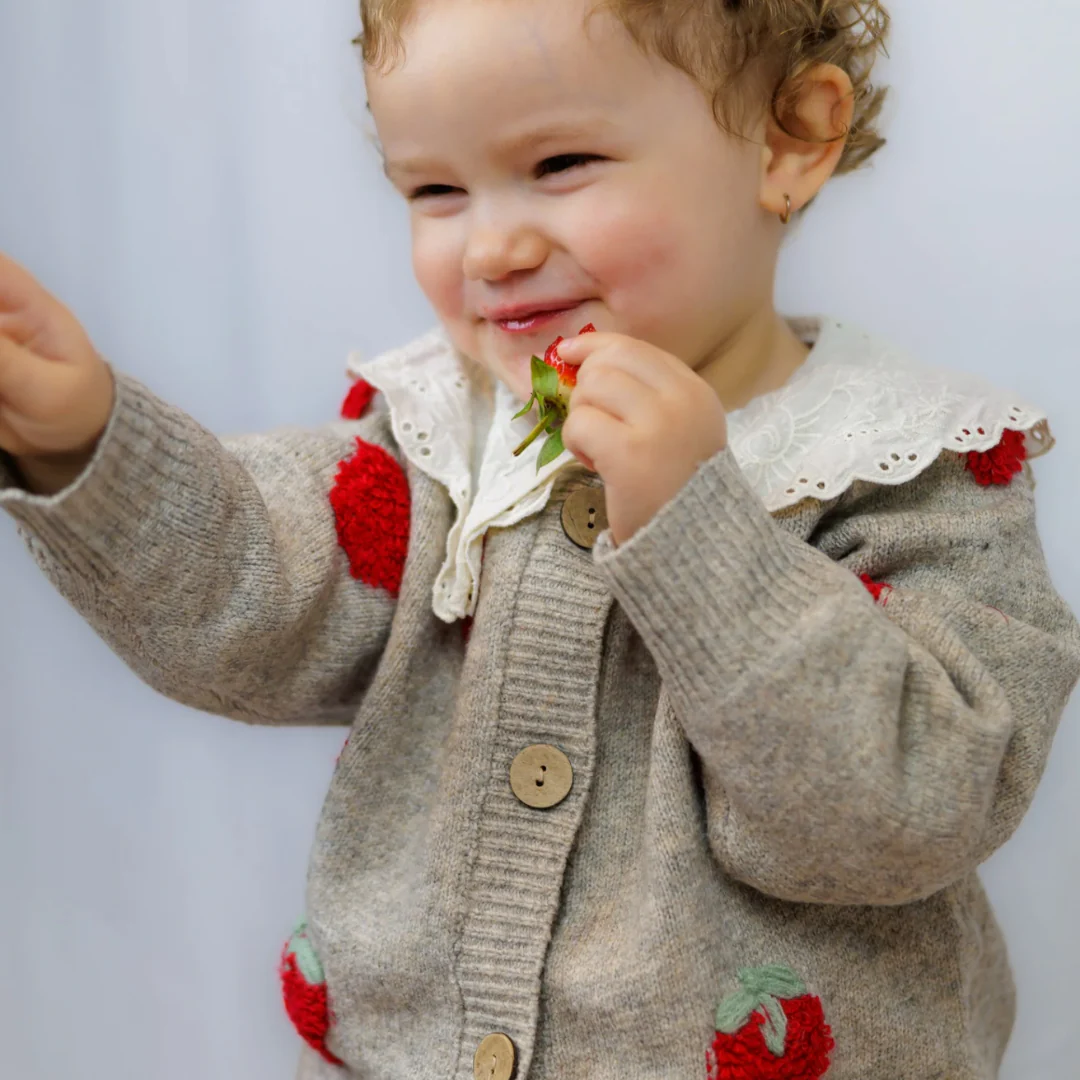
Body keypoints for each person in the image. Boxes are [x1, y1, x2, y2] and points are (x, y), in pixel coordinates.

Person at [1, 1, 1077, 1077]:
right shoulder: (443, 438)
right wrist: (87, 443)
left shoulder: (910, 464)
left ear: (789, 136)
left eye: (561, 164)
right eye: (434, 189)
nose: (492, 247)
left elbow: (902, 813)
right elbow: (256, 595)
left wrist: (698, 530)